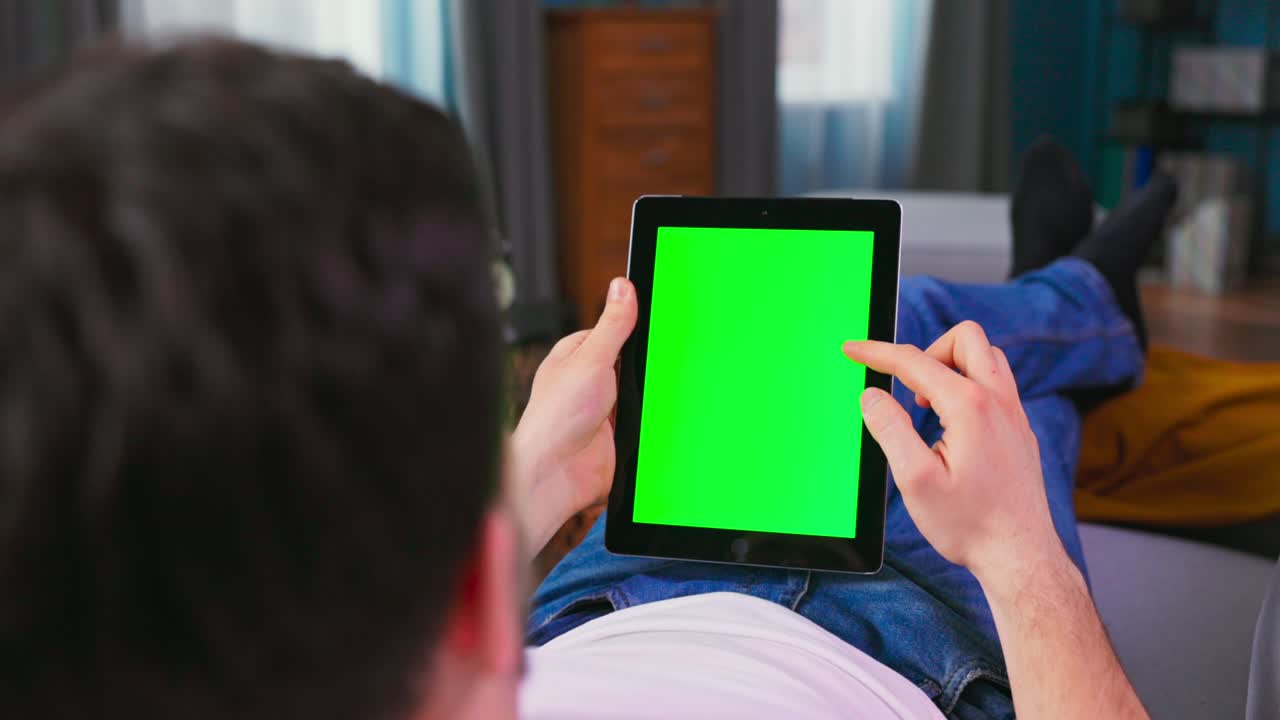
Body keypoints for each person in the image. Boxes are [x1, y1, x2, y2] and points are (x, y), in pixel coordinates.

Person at [0, 39, 1175, 720]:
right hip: (898, 643)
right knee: (941, 362)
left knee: (870, 334)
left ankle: (1071, 289)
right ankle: (1082, 294)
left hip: (609, 596)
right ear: (475, 599)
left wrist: (529, 477)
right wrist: (1018, 554)